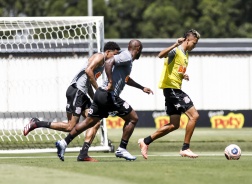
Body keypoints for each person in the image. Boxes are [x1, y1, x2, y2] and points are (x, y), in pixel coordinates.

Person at [55, 39, 154, 162]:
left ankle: (64, 143)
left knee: (89, 122)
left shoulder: (124, 59)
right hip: (108, 95)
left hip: (100, 94)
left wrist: (142, 88)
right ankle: (122, 148)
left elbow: (126, 79)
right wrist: (111, 82)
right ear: (138, 49)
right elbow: (108, 62)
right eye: (141, 51)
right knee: (133, 118)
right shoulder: (127, 56)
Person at [23, 41, 121, 162]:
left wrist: (96, 97)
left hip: (82, 93)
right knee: (71, 126)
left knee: (95, 121)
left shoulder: (102, 63)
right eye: (115, 54)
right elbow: (88, 71)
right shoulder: (100, 57)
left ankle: (83, 154)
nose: (116, 58)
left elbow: (89, 81)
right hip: (76, 91)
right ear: (108, 52)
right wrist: (99, 90)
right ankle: (37, 123)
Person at [138, 29, 201, 159]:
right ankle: (185, 148)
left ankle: (145, 141)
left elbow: (175, 69)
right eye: (194, 43)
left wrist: (182, 75)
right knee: (194, 116)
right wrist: (175, 44)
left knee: (174, 125)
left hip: (172, 89)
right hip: (172, 89)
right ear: (187, 40)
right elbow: (160, 55)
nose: (194, 46)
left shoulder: (186, 54)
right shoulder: (176, 50)